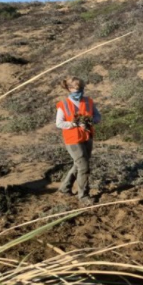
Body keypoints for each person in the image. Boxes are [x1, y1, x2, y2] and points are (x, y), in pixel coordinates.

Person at [55, 76, 101, 205]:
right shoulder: (63, 104)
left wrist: (91, 120)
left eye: (81, 89)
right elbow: (59, 123)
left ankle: (65, 188)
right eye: (77, 89)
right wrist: (74, 124)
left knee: (79, 164)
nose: (80, 92)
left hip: (87, 137)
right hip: (73, 139)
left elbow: (97, 116)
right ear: (69, 89)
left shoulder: (88, 101)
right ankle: (83, 196)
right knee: (84, 167)